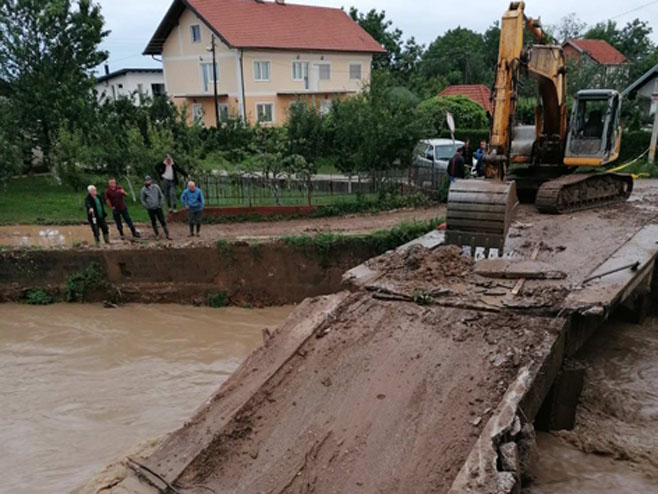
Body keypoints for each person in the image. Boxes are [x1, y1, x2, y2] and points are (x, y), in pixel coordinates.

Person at [140, 175, 171, 240]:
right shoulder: (143, 190)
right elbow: (142, 199)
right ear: (145, 181)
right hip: (150, 208)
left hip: (158, 207)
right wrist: (146, 206)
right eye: (146, 180)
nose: (148, 181)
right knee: (153, 221)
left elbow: (161, 196)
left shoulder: (156, 187)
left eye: (149, 180)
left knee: (162, 221)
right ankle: (157, 235)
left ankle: (167, 235)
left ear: (151, 180)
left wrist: (160, 203)